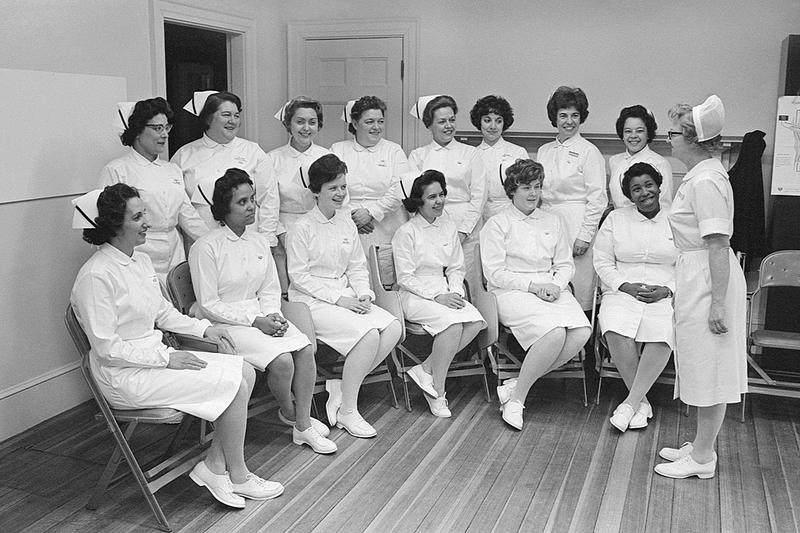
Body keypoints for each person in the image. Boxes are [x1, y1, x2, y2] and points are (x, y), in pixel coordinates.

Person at [70, 183, 283, 508]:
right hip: (125, 376)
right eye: (138, 216)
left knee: (245, 371)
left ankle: (214, 466)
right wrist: (166, 359)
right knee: (235, 382)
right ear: (114, 225)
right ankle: (236, 475)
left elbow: (163, 312)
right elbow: (107, 349)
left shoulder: (139, 261)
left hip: (156, 358)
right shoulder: (95, 276)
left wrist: (205, 329)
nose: (148, 222)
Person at [188, 169, 336, 454]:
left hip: (262, 317)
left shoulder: (258, 241)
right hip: (226, 325)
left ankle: (303, 425)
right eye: (242, 202)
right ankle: (291, 414)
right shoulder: (205, 247)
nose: (251, 206)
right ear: (223, 209)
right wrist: (255, 321)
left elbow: (269, 288)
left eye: (252, 199)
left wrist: (272, 314)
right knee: (282, 360)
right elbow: (209, 304)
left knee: (304, 347)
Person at [654, 95, 747, 479]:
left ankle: (705, 457)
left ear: (692, 138)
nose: (667, 139)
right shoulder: (701, 175)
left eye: (673, 133)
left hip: (712, 278)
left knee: (711, 369)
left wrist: (718, 304)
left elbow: (718, 244)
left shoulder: (706, 180)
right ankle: (701, 443)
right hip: (699, 274)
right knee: (700, 363)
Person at [286, 154, 402, 438]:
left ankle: (341, 386)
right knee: (369, 335)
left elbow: (357, 266)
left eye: (342, 187)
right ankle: (349, 410)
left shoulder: (346, 222)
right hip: (311, 301)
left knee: (393, 327)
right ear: (316, 192)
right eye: (332, 188)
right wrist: (340, 300)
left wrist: (363, 294)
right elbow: (299, 277)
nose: (340, 194)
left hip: (346, 294)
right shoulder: (301, 228)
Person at [480, 159, 591, 430]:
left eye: (537, 187)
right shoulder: (497, 224)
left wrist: (557, 284)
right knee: (553, 333)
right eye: (526, 187)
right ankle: (517, 400)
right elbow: (494, 273)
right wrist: (534, 288)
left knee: (581, 331)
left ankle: (518, 383)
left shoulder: (552, 220)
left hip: (551, 287)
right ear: (512, 190)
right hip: (511, 291)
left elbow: (565, 264)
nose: (533, 193)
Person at [391, 170, 486, 417]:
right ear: (418, 200)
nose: (440, 201)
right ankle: (438, 391)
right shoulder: (406, 232)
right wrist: (436, 297)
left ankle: (426, 369)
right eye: (432, 196)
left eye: (442, 194)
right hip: (413, 294)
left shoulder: (448, 226)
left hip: (444, 289)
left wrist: (455, 292)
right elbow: (405, 277)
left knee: (476, 322)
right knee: (453, 326)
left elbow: (456, 267)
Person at [593, 162, 677, 432]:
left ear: (659, 186)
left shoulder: (678, 218)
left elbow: (689, 263)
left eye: (649, 185)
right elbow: (603, 261)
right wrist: (624, 285)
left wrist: (668, 289)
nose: (644, 193)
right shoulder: (616, 219)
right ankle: (640, 403)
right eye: (636, 189)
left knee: (663, 330)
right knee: (614, 325)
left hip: (664, 292)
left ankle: (630, 403)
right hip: (623, 291)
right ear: (629, 195)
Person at [99, 98, 208, 281]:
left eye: (167, 128)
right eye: (157, 128)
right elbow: (106, 224)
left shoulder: (172, 169)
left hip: (174, 254)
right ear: (138, 131)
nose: (165, 134)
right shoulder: (117, 170)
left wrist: (216, 242)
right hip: (138, 252)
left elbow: (188, 215)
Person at [536, 86, 606, 311]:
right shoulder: (544, 151)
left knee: (578, 286)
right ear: (554, 117)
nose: (569, 121)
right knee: (550, 283)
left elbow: (598, 198)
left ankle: (581, 341)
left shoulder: (589, 151)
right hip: (547, 219)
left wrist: (585, 236)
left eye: (574, 115)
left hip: (576, 223)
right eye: (563, 115)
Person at [171, 91, 278, 239]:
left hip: (249, 238)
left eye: (236, 115)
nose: (233, 121)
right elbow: (179, 204)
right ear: (208, 118)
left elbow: (269, 199)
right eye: (226, 115)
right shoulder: (184, 155)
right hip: (201, 239)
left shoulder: (253, 151)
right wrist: (203, 237)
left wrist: (267, 239)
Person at [267, 96, 331, 289]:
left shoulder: (327, 157)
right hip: (284, 229)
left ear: (319, 125)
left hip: (319, 228)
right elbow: (266, 203)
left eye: (312, 122)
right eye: (300, 121)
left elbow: (338, 200)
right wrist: (279, 234)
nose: (306, 128)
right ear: (288, 124)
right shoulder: (272, 159)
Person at [331, 96, 410, 247]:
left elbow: (399, 189)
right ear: (354, 123)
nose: (377, 127)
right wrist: (352, 217)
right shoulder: (337, 150)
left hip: (389, 224)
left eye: (380, 121)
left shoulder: (394, 150)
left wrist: (371, 213)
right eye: (369, 122)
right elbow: (331, 188)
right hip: (348, 225)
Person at [408, 95, 487, 245]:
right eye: (442, 122)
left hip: (467, 226)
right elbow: (413, 199)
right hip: (430, 225)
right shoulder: (417, 156)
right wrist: (427, 228)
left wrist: (464, 231)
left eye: (452, 120)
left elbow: (480, 195)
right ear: (429, 125)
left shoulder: (470, 153)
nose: (449, 125)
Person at [469, 95, 529, 220]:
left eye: (498, 121)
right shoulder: (471, 154)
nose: (493, 126)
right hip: (479, 216)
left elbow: (527, 189)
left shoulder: (518, 152)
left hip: (512, 215)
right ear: (479, 122)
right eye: (487, 120)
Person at [607, 105, 673, 210]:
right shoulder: (614, 161)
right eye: (628, 131)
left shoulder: (659, 163)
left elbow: (665, 205)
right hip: (618, 222)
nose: (633, 136)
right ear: (622, 134)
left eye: (639, 131)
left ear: (648, 134)